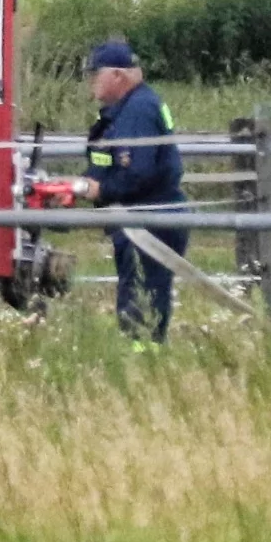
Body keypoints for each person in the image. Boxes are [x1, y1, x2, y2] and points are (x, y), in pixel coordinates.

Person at [72, 37, 188, 342]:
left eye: (95, 74)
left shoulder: (137, 111)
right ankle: (140, 353)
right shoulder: (129, 108)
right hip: (138, 217)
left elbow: (137, 172)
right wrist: (85, 185)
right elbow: (111, 162)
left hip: (149, 220)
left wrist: (100, 190)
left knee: (142, 295)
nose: (91, 82)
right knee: (136, 289)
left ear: (117, 76)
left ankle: (143, 360)